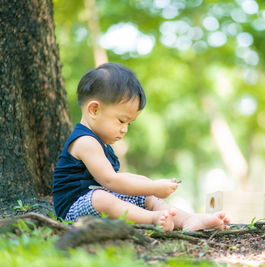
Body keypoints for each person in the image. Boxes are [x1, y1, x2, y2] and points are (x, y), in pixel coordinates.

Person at [52, 63, 230, 231]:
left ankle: (187, 219)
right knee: (102, 198)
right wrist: (153, 187)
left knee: (145, 193)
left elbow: (114, 179)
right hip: (72, 211)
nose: (124, 129)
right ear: (94, 110)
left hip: (93, 201)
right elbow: (111, 181)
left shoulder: (100, 142)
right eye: (121, 121)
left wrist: (148, 185)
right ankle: (152, 219)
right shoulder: (85, 142)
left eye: (129, 123)